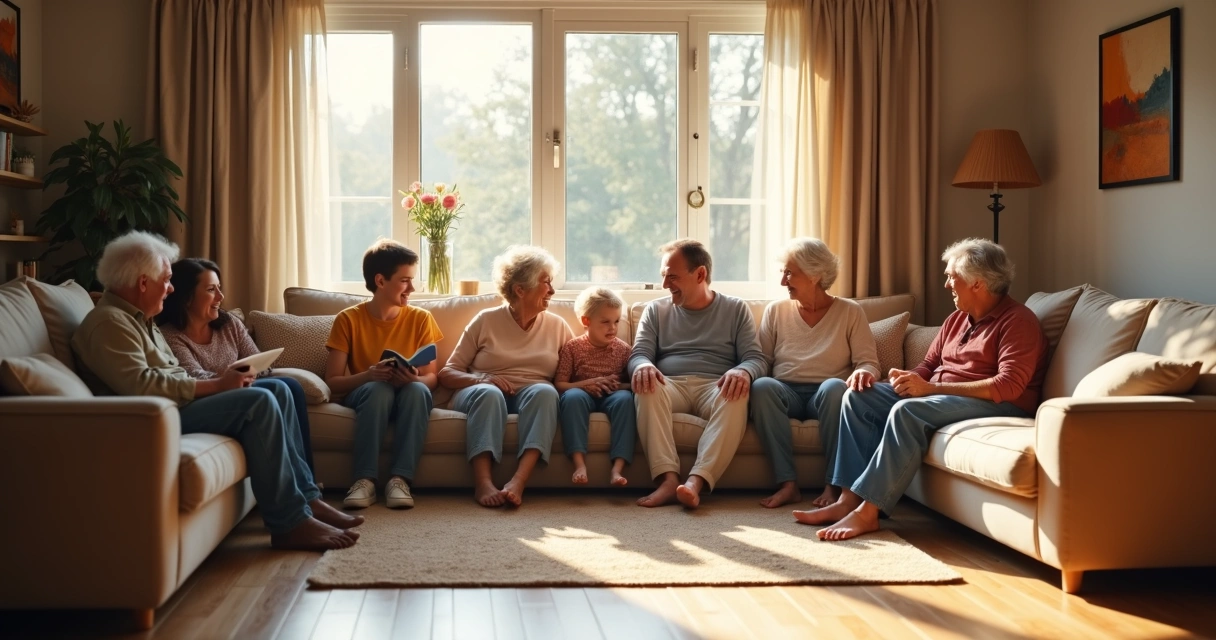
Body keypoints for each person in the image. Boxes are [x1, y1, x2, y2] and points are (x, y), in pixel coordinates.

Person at [71, 231, 362, 550]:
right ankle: (289, 523)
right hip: (153, 419)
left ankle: (306, 499)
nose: (170, 289)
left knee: (277, 389)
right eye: (166, 280)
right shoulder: (109, 323)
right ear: (143, 282)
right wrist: (217, 385)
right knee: (260, 399)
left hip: (173, 407)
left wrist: (220, 385)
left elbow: (164, 375)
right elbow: (141, 385)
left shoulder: (138, 319)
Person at [797, 238, 1047, 541]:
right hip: (942, 394)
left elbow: (1008, 385)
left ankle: (868, 513)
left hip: (999, 403)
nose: (947, 285)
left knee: (907, 410)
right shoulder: (956, 319)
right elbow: (928, 365)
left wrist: (929, 388)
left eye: (952, 276)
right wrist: (906, 379)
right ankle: (847, 500)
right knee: (858, 395)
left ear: (978, 283)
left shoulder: (1019, 322)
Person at [629, 239, 767, 508]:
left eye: (673, 276)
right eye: (663, 277)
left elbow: (755, 358)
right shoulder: (655, 310)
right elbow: (639, 354)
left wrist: (742, 371)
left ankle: (696, 481)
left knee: (738, 392)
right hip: (670, 385)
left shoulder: (736, 309)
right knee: (646, 386)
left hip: (715, 386)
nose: (665, 285)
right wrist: (643, 365)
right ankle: (668, 480)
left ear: (700, 274)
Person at [438, 246, 573, 507]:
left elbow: (573, 372)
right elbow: (447, 373)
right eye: (546, 283)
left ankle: (518, 481)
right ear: (520, 289)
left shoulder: (557, 326)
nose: (552, 290)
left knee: (546, 392)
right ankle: (483, 483)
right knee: (489, 393)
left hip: (532, 393)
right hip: (480, 391)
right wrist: (481, 379)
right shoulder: (486, 320)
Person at [751, 238, 880, 509]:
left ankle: (833, 486)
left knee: (835, 388)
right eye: (783, 273)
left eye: (789, 273)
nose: (783, 281)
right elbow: (762, 359)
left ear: (815, 276)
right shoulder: (776, 310)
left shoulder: (850, 311)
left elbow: (868, 362)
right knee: (762, 386)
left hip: (826, 394)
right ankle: (788, 485)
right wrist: (744, 373)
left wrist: (864, 373)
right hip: (785, 392)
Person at [157, 258, 316, 474]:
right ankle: (303, 486)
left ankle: (307, 481)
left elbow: (258, 361)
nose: (221, 297)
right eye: (212, 290)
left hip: (236, 387)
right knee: (279, 388)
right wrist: (231, 377)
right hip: (206, 398)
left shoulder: (228, 323)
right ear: (186, 297)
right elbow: (194, 377)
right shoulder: (170, 335)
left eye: (219, 289)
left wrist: (241, 375)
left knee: (289, 385)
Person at [324, 240, 443, 510]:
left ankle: (400, 480)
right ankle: (364, 480)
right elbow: (333, 382)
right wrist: (369, 375)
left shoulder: (421, 319)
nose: (412, 288)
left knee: (418, 390)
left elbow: (432, 378)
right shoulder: (348, 319)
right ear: (380, 280)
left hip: (409, 394)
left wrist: (413, 379)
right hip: (368, 394)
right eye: (405, 281)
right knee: (380, 389)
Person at [554, 286, 636, 486]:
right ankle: (579, 464)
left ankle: (617, 469)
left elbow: (633, 384)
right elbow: (560, 384)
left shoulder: (624, 350)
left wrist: (620, 387)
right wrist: (586, 384)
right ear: (586, 321)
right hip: (582, 393)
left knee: (626, 400)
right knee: (572, 397)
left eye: (616, 322)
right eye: (605, 322)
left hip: (613, 395)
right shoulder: (572, 347)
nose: (613, 328)